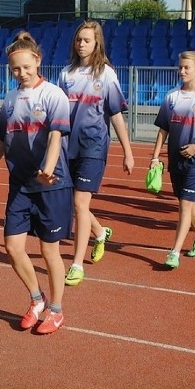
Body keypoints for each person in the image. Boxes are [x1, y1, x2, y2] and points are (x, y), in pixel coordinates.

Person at [0, 31, 72, 334]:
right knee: (13, 246)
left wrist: (47, 168)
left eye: (26, 67)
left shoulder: (54, 95)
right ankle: (36, 298)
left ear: (38, 61)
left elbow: (56, 135)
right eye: (15, 69)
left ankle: (56, 310)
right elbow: (3, 138)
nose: (21, 73)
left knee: (49, 251)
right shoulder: (11, 98)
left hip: (51, 184)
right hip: (20, 184)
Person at [58, 20, 134, 285]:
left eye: (87, 40)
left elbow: (115, 115)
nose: (81, 44)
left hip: (94, 146)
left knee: (80, 203)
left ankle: (77, 264)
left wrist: (127, 151)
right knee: (73, 202)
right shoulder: (66, 74)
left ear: (97, 43)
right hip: (68, 146)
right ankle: (100, 233)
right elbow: (58, 114)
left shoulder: (106, 75)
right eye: (78, 40)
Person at [150, 51, 195, 268]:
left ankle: (174, 252)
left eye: (186, 68)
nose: (182, 71)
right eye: (180, 67)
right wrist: (155, 157)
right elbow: (163, 129)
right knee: (186, 203)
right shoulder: (172, 96)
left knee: (184, 205)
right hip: (176, 159)